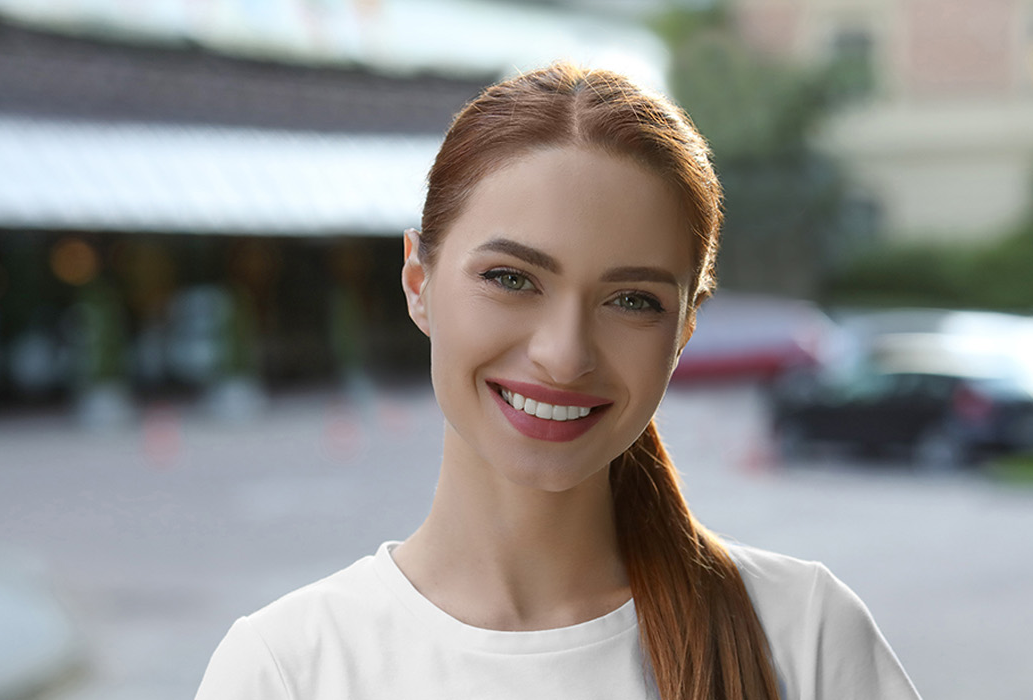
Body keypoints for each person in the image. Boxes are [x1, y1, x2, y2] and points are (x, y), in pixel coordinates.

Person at [193, 63, 919, 700]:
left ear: (686, 326)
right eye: (512, 279)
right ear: (418, 281)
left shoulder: (804, 636)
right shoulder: (286, 672)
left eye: (633, 300)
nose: (565, 355)